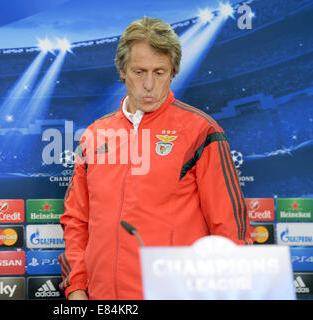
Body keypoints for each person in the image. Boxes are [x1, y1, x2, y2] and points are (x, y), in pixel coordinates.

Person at [58, 16, 253, 300]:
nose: (149, 84)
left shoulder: (202, 131)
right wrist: (76, 288)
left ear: (173, 72)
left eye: (159, 72)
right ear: (122, 71)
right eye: (139, 72)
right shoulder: (94, 135)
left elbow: (230, 229)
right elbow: (77, 220)